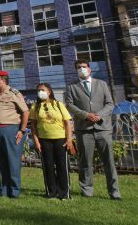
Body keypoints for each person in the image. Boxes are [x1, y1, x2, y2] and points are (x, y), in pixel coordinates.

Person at [65, 59, 121, 200]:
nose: (81, 69)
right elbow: (70, 105)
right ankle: (87, 191)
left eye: (84, 67)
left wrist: (99, 115)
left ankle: (114, 192)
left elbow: (109, 104)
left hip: (103, 128)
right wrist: (86, 115)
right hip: (84, 129)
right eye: (78, 68)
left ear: (89, 69)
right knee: (85, 162)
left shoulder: (101, 84)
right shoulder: (72, 86)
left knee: (109, 161)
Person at [0, 70, 29, 198]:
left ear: (3, 80)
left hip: (10, 129)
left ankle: (14, 191)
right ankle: (4, 189)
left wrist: (22, 130)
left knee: (13, 161)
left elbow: (25, 112)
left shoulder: (14, 93)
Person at [29, 82, 74, 200]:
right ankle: (51, 192)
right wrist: (36, 141)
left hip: (60, 139)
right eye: (38, 90)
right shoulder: (35, 106)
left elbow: (67, 122)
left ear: (49, 92)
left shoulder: (58, 104)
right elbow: (33, 125)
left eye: (43, 90)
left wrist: (69, 139)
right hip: (44, 140)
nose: (40, 92)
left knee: (62, 166)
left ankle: (64, 193)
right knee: (47, 166)